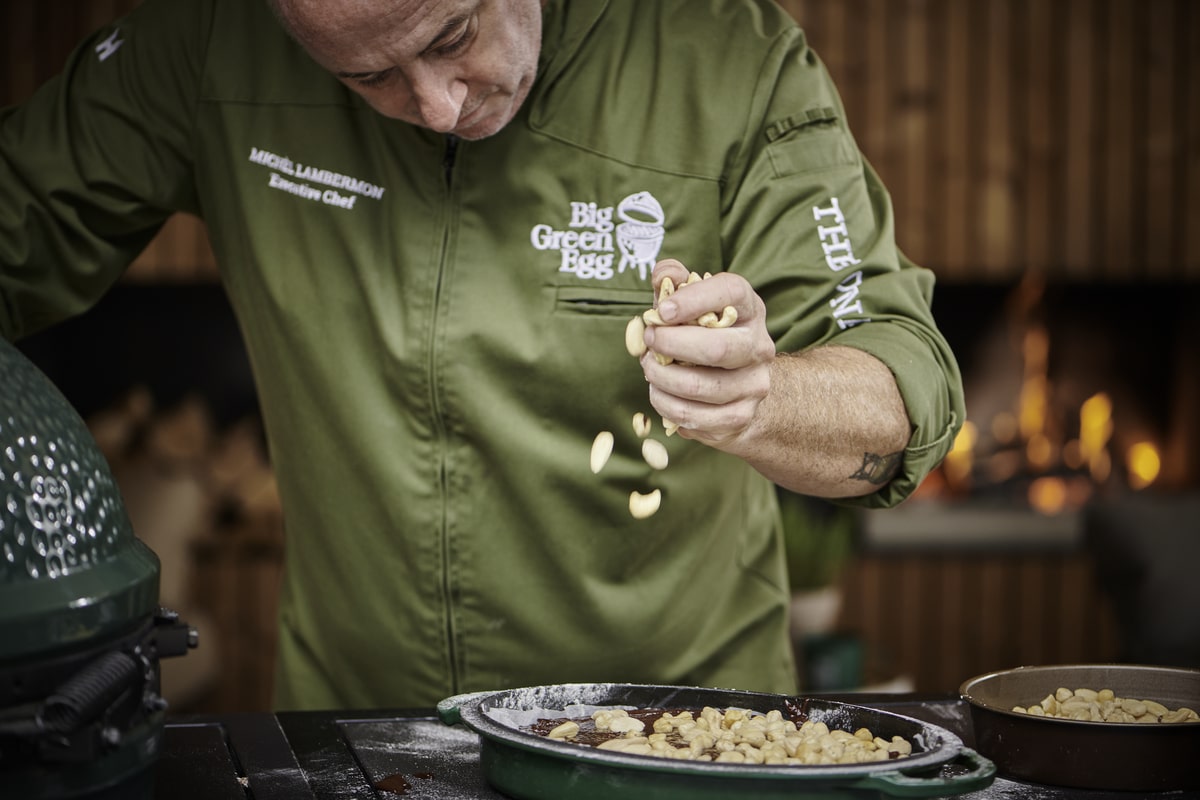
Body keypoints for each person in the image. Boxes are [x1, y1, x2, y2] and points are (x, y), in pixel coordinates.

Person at [0, 0, 965, 710]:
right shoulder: (209, 40)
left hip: (676, 738)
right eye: (366, 76)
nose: (434, 104)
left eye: (453, 35)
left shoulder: (724, 57)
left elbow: (901, 386)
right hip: (365, 736)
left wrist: (765, 397)